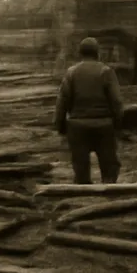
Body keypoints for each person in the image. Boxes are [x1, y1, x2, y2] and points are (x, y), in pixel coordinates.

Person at [54, 36, 124, 185]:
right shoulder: (106, 71)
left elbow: (62, 101)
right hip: (104, 125)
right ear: (97, 53)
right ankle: (109, 192)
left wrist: (60, 125)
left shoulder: (71, 72)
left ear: (80, 53)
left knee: (80, 167)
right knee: (109, 165)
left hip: (77, 126)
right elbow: (116, 101)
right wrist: (118, 124)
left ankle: (83, 193)